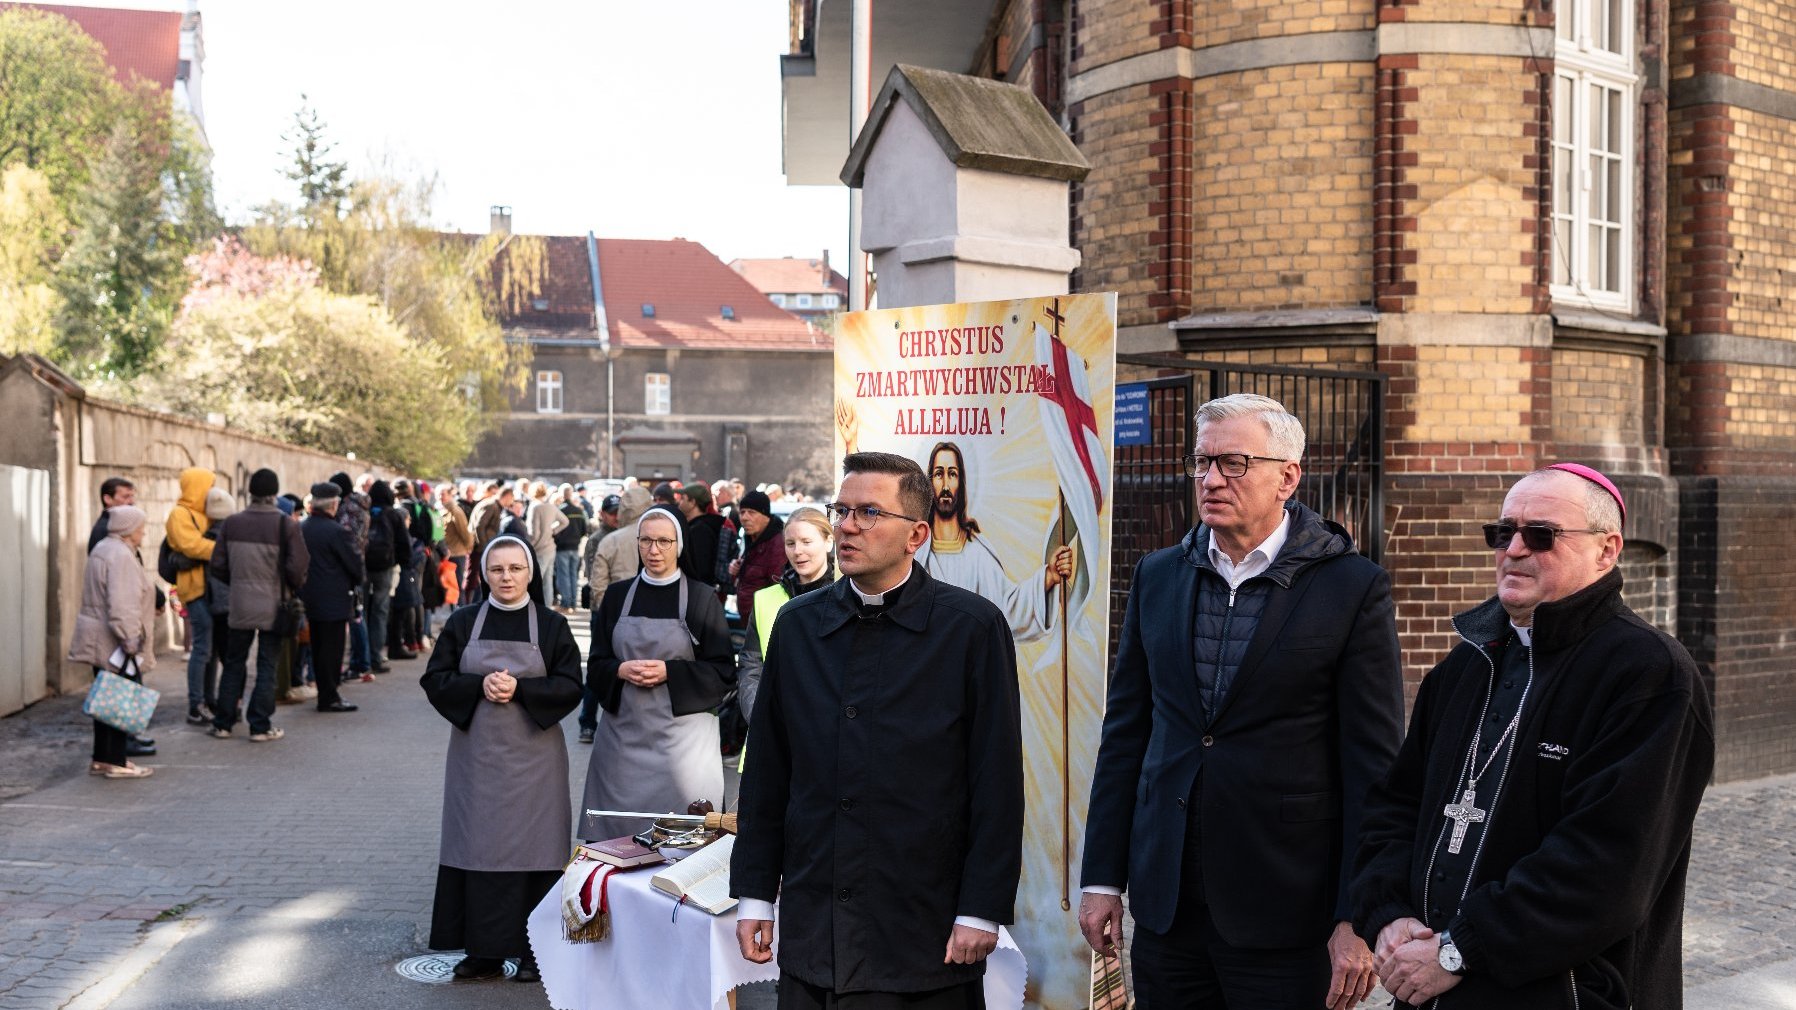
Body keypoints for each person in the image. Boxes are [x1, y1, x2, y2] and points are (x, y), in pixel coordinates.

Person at [1079, 393, 1404, 1010]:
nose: (1210, 479)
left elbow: (1372, 767)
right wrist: (1102, 879)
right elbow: (1126, 733)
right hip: (1167, 904)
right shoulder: (1157, 575)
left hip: (1284, 907)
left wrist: (1355, 915)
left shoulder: (1350, 587)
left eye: (1233, 463)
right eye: (1201, 463)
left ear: (1288, 477)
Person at [1350, 464, 1714, 1009]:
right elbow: (1395, 807)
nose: (1514, 549)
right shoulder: (1463, 668)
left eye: (1541, 534)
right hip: (1429, 987)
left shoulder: (1648, 673)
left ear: (1607, 550)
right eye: (1503, 532)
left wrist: (1458, 950)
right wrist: (1389, 918)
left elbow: (1607, 865)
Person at [732, 452, 1024, 1009]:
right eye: (841, 509)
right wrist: (753, 896)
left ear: (915, 535)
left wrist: (981, 907)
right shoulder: (797, 627)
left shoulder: (972, 630)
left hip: (924, 935)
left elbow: (997, 783)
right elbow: (768, 774)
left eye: (869, 512)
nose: (846, 526)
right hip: (816, 928)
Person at [421, 534, 583, 984]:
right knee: (477, 850)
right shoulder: (462, 621)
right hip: (476, 764)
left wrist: (523, 690)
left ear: (530, 573)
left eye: (515, 569)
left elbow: (572, 685)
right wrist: (478, 686)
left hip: (535, 765)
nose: (506, 577)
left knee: (538, 853)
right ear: (485, 573)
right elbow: (435, 678)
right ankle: (484, 953)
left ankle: (534, 953)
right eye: (497, 569)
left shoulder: (551, 626)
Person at [578, 506, 734, 841]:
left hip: (684, 748)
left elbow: (723, 673)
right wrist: (619, 669)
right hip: (622, 746)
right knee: (616, 841)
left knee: (684, 843)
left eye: (664, 541)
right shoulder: (617, 596)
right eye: (646, 541)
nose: (654, 550)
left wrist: (670, 672)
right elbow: (596, 665)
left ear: (679, 545)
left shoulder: (702, 598)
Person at [915, 441, 1074, 643]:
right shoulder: (916, 552)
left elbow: (1007, 608)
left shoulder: (978, 555)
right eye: (939, 474)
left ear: (961, 483)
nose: (945, 485)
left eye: (952, 474)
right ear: (929, 482)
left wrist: (1049, 576)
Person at [208, 468, 309, 742]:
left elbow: (217, 565)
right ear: (275, 493)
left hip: (239, 604)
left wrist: (239, 581)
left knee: (233, 663)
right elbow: (298, 568)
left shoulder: (232, 523)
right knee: (267, 664)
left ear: (250, 491)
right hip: (274, 606)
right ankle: (260, 725)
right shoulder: (285, 524)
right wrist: (288, 586)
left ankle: (223, 722)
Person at [68, 505, 159, 779]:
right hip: (115, 641)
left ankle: (102, 758)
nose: (144, 532)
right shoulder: (121, 556)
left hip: (100, 637)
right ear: (130, 529)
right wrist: (130, 639)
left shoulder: (104, 548)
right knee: (121, 700)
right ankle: (118, 761)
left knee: (106, 698)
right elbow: (123, 604)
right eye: (141, 527)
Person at [733, 506, 836, 727]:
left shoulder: (846, 596)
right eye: (791, 543)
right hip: (774, 729)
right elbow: (751, 663)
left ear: (828, 542)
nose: (798, 551)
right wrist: (757, 713)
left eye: (807, 542)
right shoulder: (765, 598)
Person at [299, 483, 364, 713]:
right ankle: (329, 696)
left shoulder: (302, 527)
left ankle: (325, 693)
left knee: (318, 648)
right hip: (334, 599)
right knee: (332, 650)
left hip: (309, 596)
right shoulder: (337, 531)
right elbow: (356, 566)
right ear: (333, 504)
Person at [165, 468, 219, 726]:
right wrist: (222, 549)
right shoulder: (179, 514)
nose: (212, 490)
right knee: (202, 648)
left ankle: (209, 700)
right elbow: (191, 546)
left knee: (213, 650)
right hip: (195, 590)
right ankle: (195, 705)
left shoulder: (208, 514)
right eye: (208, 485)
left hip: (213, 589)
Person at [364, 480, 411, 669]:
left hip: (364, 568)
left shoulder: (364, 512)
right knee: (380, 612)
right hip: (385, 568)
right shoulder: (394, 515)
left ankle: (362, 655)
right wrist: (399, 563)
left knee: (362, 611)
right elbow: (404, 544)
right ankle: (376, 656)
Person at [729, 490, 785, 622]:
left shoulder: (778, 544)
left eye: (751, 512)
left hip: (766, 621)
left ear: (766, 516)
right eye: (742, 512)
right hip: (749, 619)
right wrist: (736, 570)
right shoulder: (749, 538)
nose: (745, 517)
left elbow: (777, 588)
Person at [673, 481, 722, 588]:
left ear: (693, 502)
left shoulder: (700, 530)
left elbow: (700, 569)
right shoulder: (695, 526)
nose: (679, 503)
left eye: (682, 499)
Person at [552, 484, 588, 610]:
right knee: (573, 575)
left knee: (564, 576)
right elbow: (584, 530)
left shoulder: (559, 510)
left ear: (562, 495)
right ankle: (572, 602)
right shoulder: (579, 511)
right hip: (575, 547)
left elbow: (554, 530)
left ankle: (566, 603)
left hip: (562, 547)